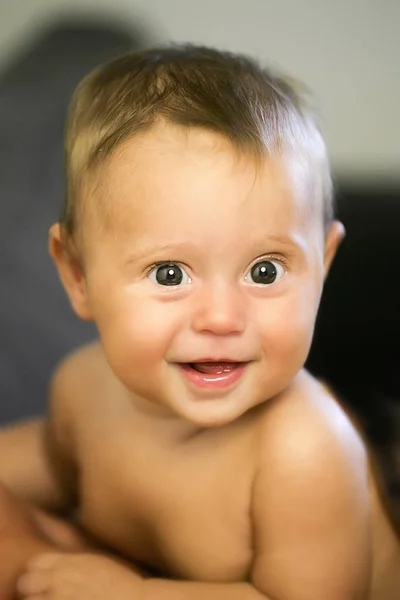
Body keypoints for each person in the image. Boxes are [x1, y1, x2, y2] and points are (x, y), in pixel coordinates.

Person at [0, 43, 399, 600]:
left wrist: (133, 595)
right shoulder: (83, 388)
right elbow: (49, 458)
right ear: (78, 276)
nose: (221, 318)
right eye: (169, 274)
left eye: (264, 271)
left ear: (323, 265)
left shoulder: (302, 449)